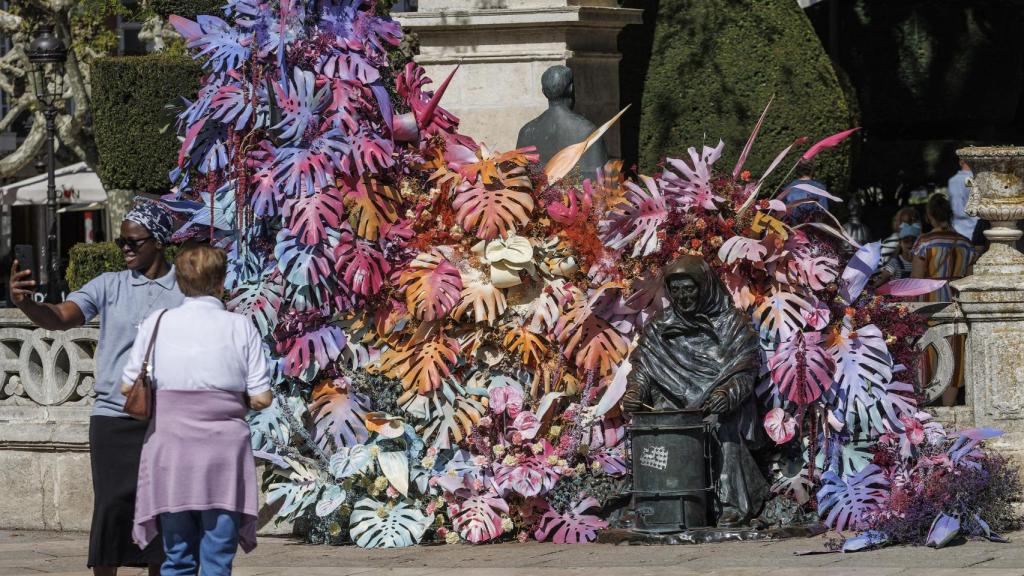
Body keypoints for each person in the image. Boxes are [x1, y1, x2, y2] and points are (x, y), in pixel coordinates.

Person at [7, 201, 183, 576]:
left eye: (134, 242)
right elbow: (59, 318)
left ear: (159, 242)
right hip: (112, 418)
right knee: (111, 507)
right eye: (121, 241)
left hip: (167, 420)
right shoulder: (109, 284)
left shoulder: (186, 289)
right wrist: (25, 305)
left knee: (163, 510)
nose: (125, 248)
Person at [124, 244, 272, 576]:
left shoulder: (157, 323)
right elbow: (262, 398)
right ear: (221, 282)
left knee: (176, 557)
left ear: (179, 282)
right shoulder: (240, 327)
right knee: (217, 557)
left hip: (172, 453)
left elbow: (127, 386)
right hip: (223, 456)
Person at [622, 256, 766, 527]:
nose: (682, 296)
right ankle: (648, 504)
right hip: (674, 405)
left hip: (715, 406)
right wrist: (636, 392)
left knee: (723, 425)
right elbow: (644, 367)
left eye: (688, 289)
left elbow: (744, 370)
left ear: (705, 287)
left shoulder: (731, 324)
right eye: (675, 291)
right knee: (656, 426)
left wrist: (727, 394)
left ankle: (731, 504)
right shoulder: (660, 326)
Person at [912, 194, 974, 407]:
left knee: (929, 353)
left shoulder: (924, 243)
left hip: (931, 304)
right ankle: (949, 409)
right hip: (957, 305)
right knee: (955, 354)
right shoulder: (966, 245)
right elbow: (969, 278)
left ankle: (929, 408)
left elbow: (916, 281)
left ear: (929, 217)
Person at [948, 158, 978, 240]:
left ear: (961, 162)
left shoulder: (952, 181)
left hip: (956, 227)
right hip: (975, 226)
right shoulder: (975, 179)